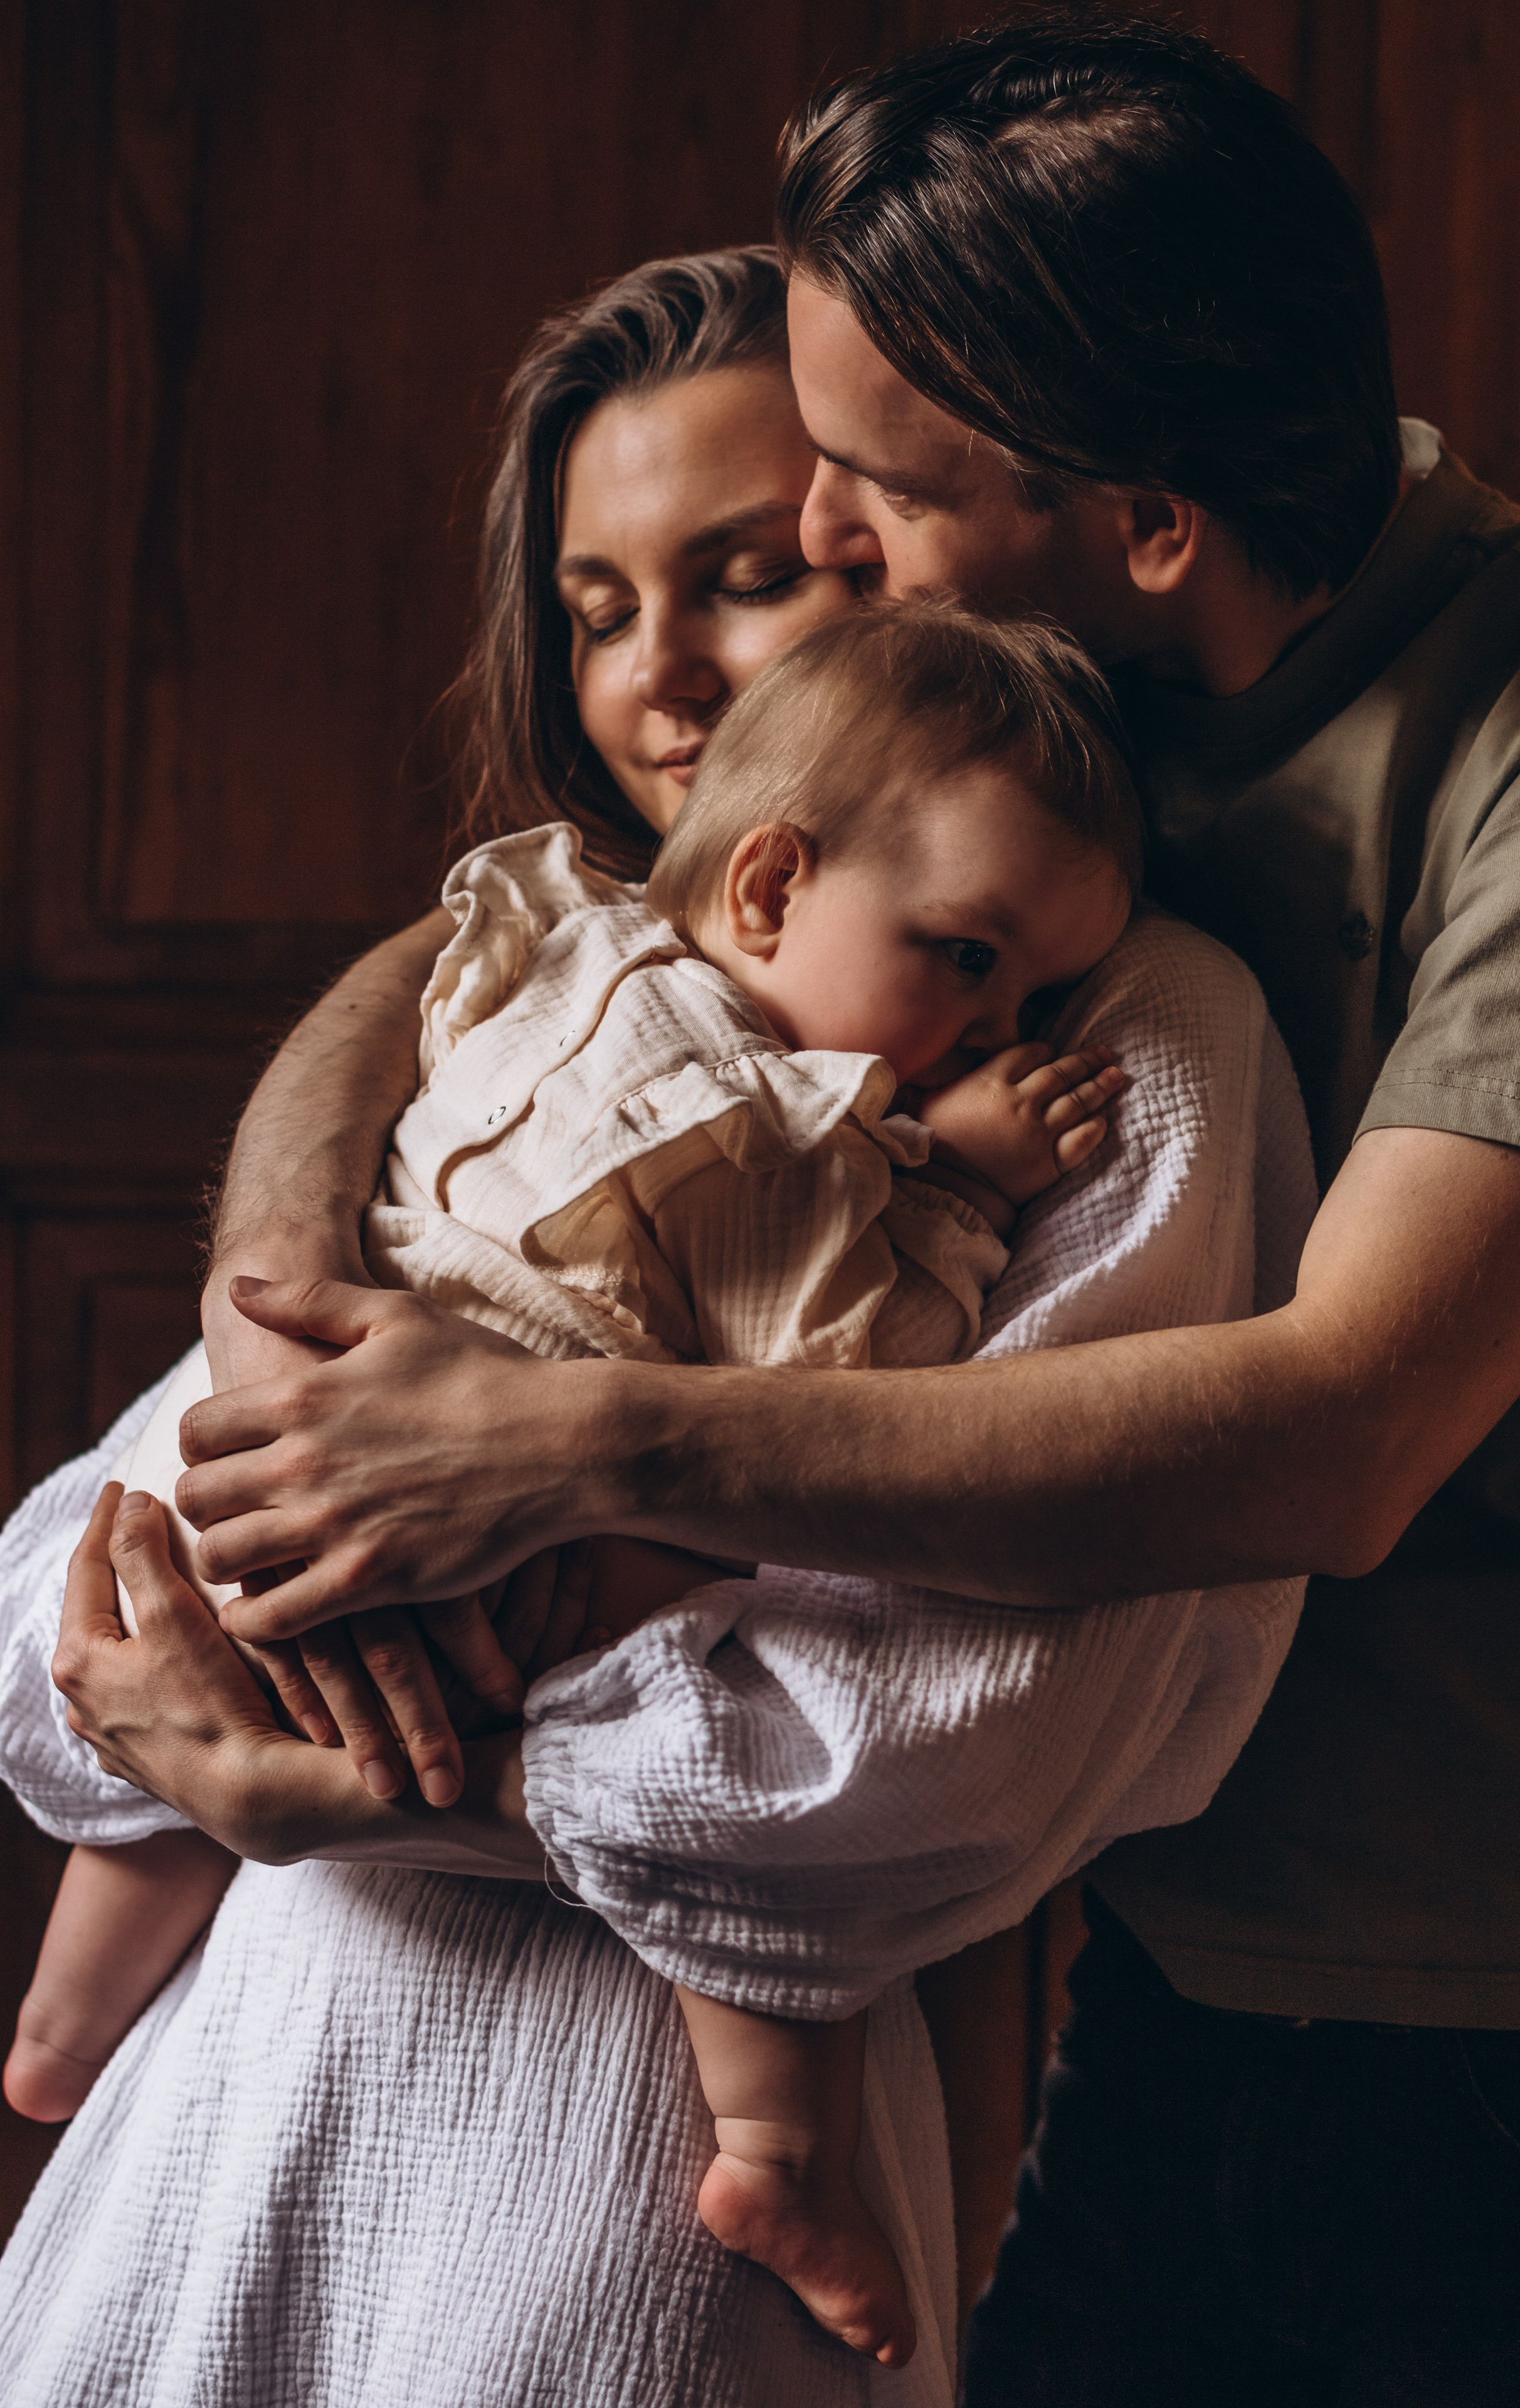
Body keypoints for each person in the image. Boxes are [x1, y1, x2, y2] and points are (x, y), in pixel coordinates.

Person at [139, 14, 1520, 2400]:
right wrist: (284, 1284)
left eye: (870, 482)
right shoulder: (1092, 646)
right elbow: (569, 918)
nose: (826, 540)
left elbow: (1336, 1434)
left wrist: (559, 1450)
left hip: (1497, 2011)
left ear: (1145, 521)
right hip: (1136, 1946)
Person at [0, 238, 1309, 2408]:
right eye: (598, 610)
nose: (659, 681)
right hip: (229, 2124)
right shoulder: (556, 1006)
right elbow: (67, 1638)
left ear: (903, 559)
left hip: (631, 2174)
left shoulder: (1107, 1028)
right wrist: (218, 1677)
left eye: (743, 576)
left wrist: (308, 1768)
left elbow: (928, 1756)